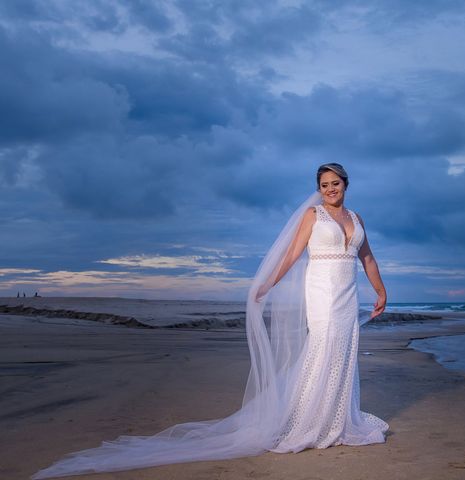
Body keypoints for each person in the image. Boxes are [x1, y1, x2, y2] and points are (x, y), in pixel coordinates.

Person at [32, 163, 388, 479]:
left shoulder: (356, 220)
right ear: (319, 188)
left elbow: (367, 256)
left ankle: (336, 420)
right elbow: (293, 255)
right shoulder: (314, 215)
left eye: (335, 183)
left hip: (347, 295)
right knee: (322, 347)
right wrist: (266, 284)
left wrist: (380, 291)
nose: (330, 189)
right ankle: (307, 422)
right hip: (322, 294)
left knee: (344, 351)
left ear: (345, 184)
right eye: (324, 184)